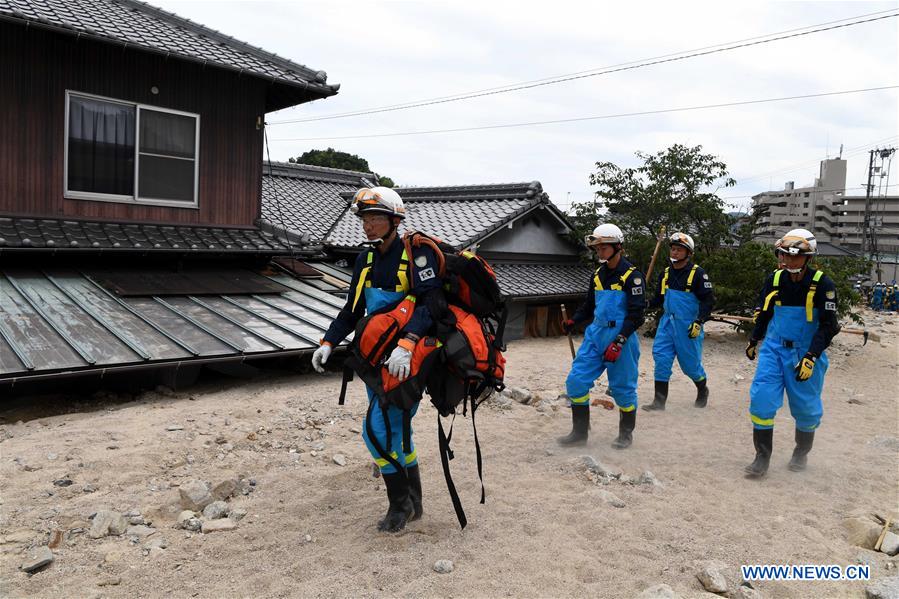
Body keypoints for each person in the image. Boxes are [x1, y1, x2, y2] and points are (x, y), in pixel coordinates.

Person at [311, 187, 443, 532]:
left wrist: (409, 342)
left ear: (395, 221)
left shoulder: (416, 256)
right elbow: (353, 309)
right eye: (365, 219)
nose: (368, 226)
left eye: (376, 219)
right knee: (398, 432)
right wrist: (329, 341)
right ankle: (414, 503)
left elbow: (430, 305)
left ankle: (398, 508)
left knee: (377, 431)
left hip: (406, 358)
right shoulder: (365, 259)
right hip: (374, 357)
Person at [744, 229, 839, 477]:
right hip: (774, 349)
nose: (787, 261)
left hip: (805, 353)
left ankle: (801, 453)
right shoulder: (775, 279)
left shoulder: (823, 284)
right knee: (761, 400)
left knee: (806, 409)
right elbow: (764, 312)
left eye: (793, 257)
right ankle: (762, 457)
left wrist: (811, 356)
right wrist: (755, 339)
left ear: (808, 258)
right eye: (783, 255)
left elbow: (829, 326)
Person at [559, 223, 646, 448]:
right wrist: (574, 320)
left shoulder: (632, 276)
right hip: (595, 334)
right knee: (576, 381)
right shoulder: (597, 274)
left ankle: (626, 434)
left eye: (603, 248)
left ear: (617, 246)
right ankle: (579, 434)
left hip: (621, 337)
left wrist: (620, 340)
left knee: (623, 389)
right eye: (597, 248)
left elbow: (637, 316)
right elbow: (589, 305)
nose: (599, 252)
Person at [643, 232, 715, 411]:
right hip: (667, 324)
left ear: (688, 253)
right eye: (673, 249)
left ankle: (702, 389)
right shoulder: (665, 274)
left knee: (690, 365)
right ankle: (659, 402)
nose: (674, 253)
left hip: (689, 325)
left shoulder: (698, 274)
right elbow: (659, 299)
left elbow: (708, 301)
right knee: (661, 358)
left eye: (679, 250)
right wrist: (644, 304)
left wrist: (699, 321)